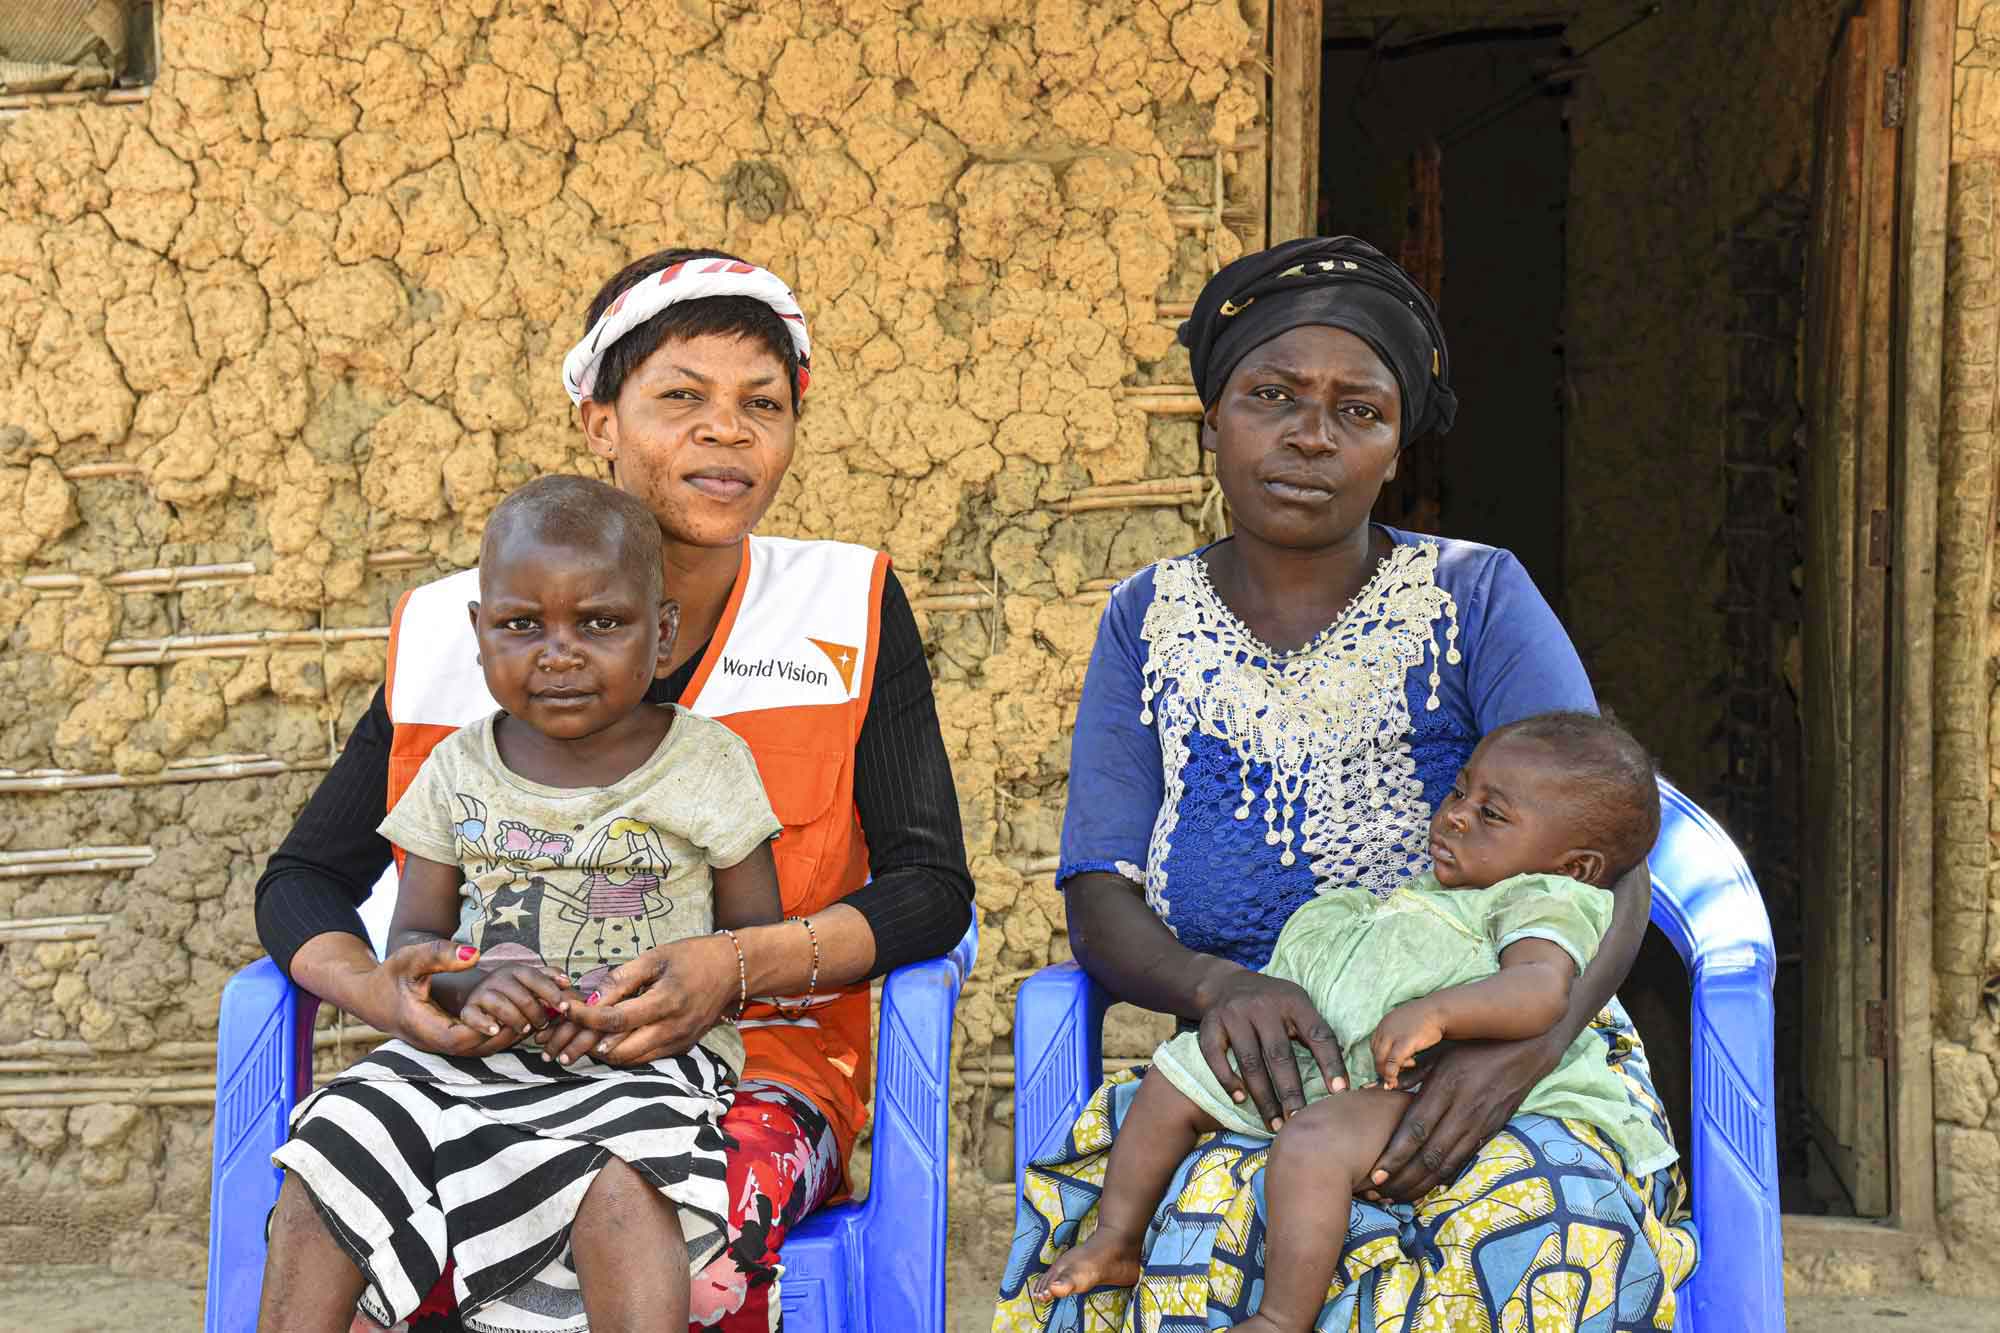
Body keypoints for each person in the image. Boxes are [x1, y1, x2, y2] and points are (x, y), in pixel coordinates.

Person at [255, 249, 974, 1332]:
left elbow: (930, 887)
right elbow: (305, 879)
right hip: (488, 1057)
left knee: (669, 1229)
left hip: (756, 1066)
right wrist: (389, 994)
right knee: (358, 1211)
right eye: (679, 397)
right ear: (599, 421)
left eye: (760, 404)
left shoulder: (844, 604)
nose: (725, 430)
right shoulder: (475, 628)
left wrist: (730, 967)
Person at [994, 236, 1695, 1332]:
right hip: (1255, 1079)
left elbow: (1611, 865)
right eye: (1270, 396)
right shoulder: (1146, 620)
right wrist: (1216, 989)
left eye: (1357, 411)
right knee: (1175, 1252)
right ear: (1213, 421)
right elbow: (1099, 897)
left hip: (1492, 1064)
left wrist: (1520, 1054)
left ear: (1392, 446)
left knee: (1538, 1237)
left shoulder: (1475, 596)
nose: (1310, 435)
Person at [271, 475, 787, 1332]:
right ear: (479, 635)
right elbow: (419, 943)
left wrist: (654, 1000)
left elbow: (751, 945)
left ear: (661, 635)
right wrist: (469, 983)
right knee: (334, 1138)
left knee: (622, 1178)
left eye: (600, 623)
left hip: (645, 1061)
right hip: (470, 1057)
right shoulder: (456, 770)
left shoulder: (707, 766)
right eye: (521, 625)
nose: (559, 652)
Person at [1031, 713, 1677, 1332]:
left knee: (1314, 1144)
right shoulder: (1436, 891)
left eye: (1491, 813)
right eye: (1459, 789)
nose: (1454, 814)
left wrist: (1440, 1011)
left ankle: (1283, 1316)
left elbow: (1540, 992)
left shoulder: (1546, 899)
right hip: (1351, 1063)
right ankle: (1117, 1237)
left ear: (1575, 865)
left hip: (1436, 1087)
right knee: (1173, 1077)